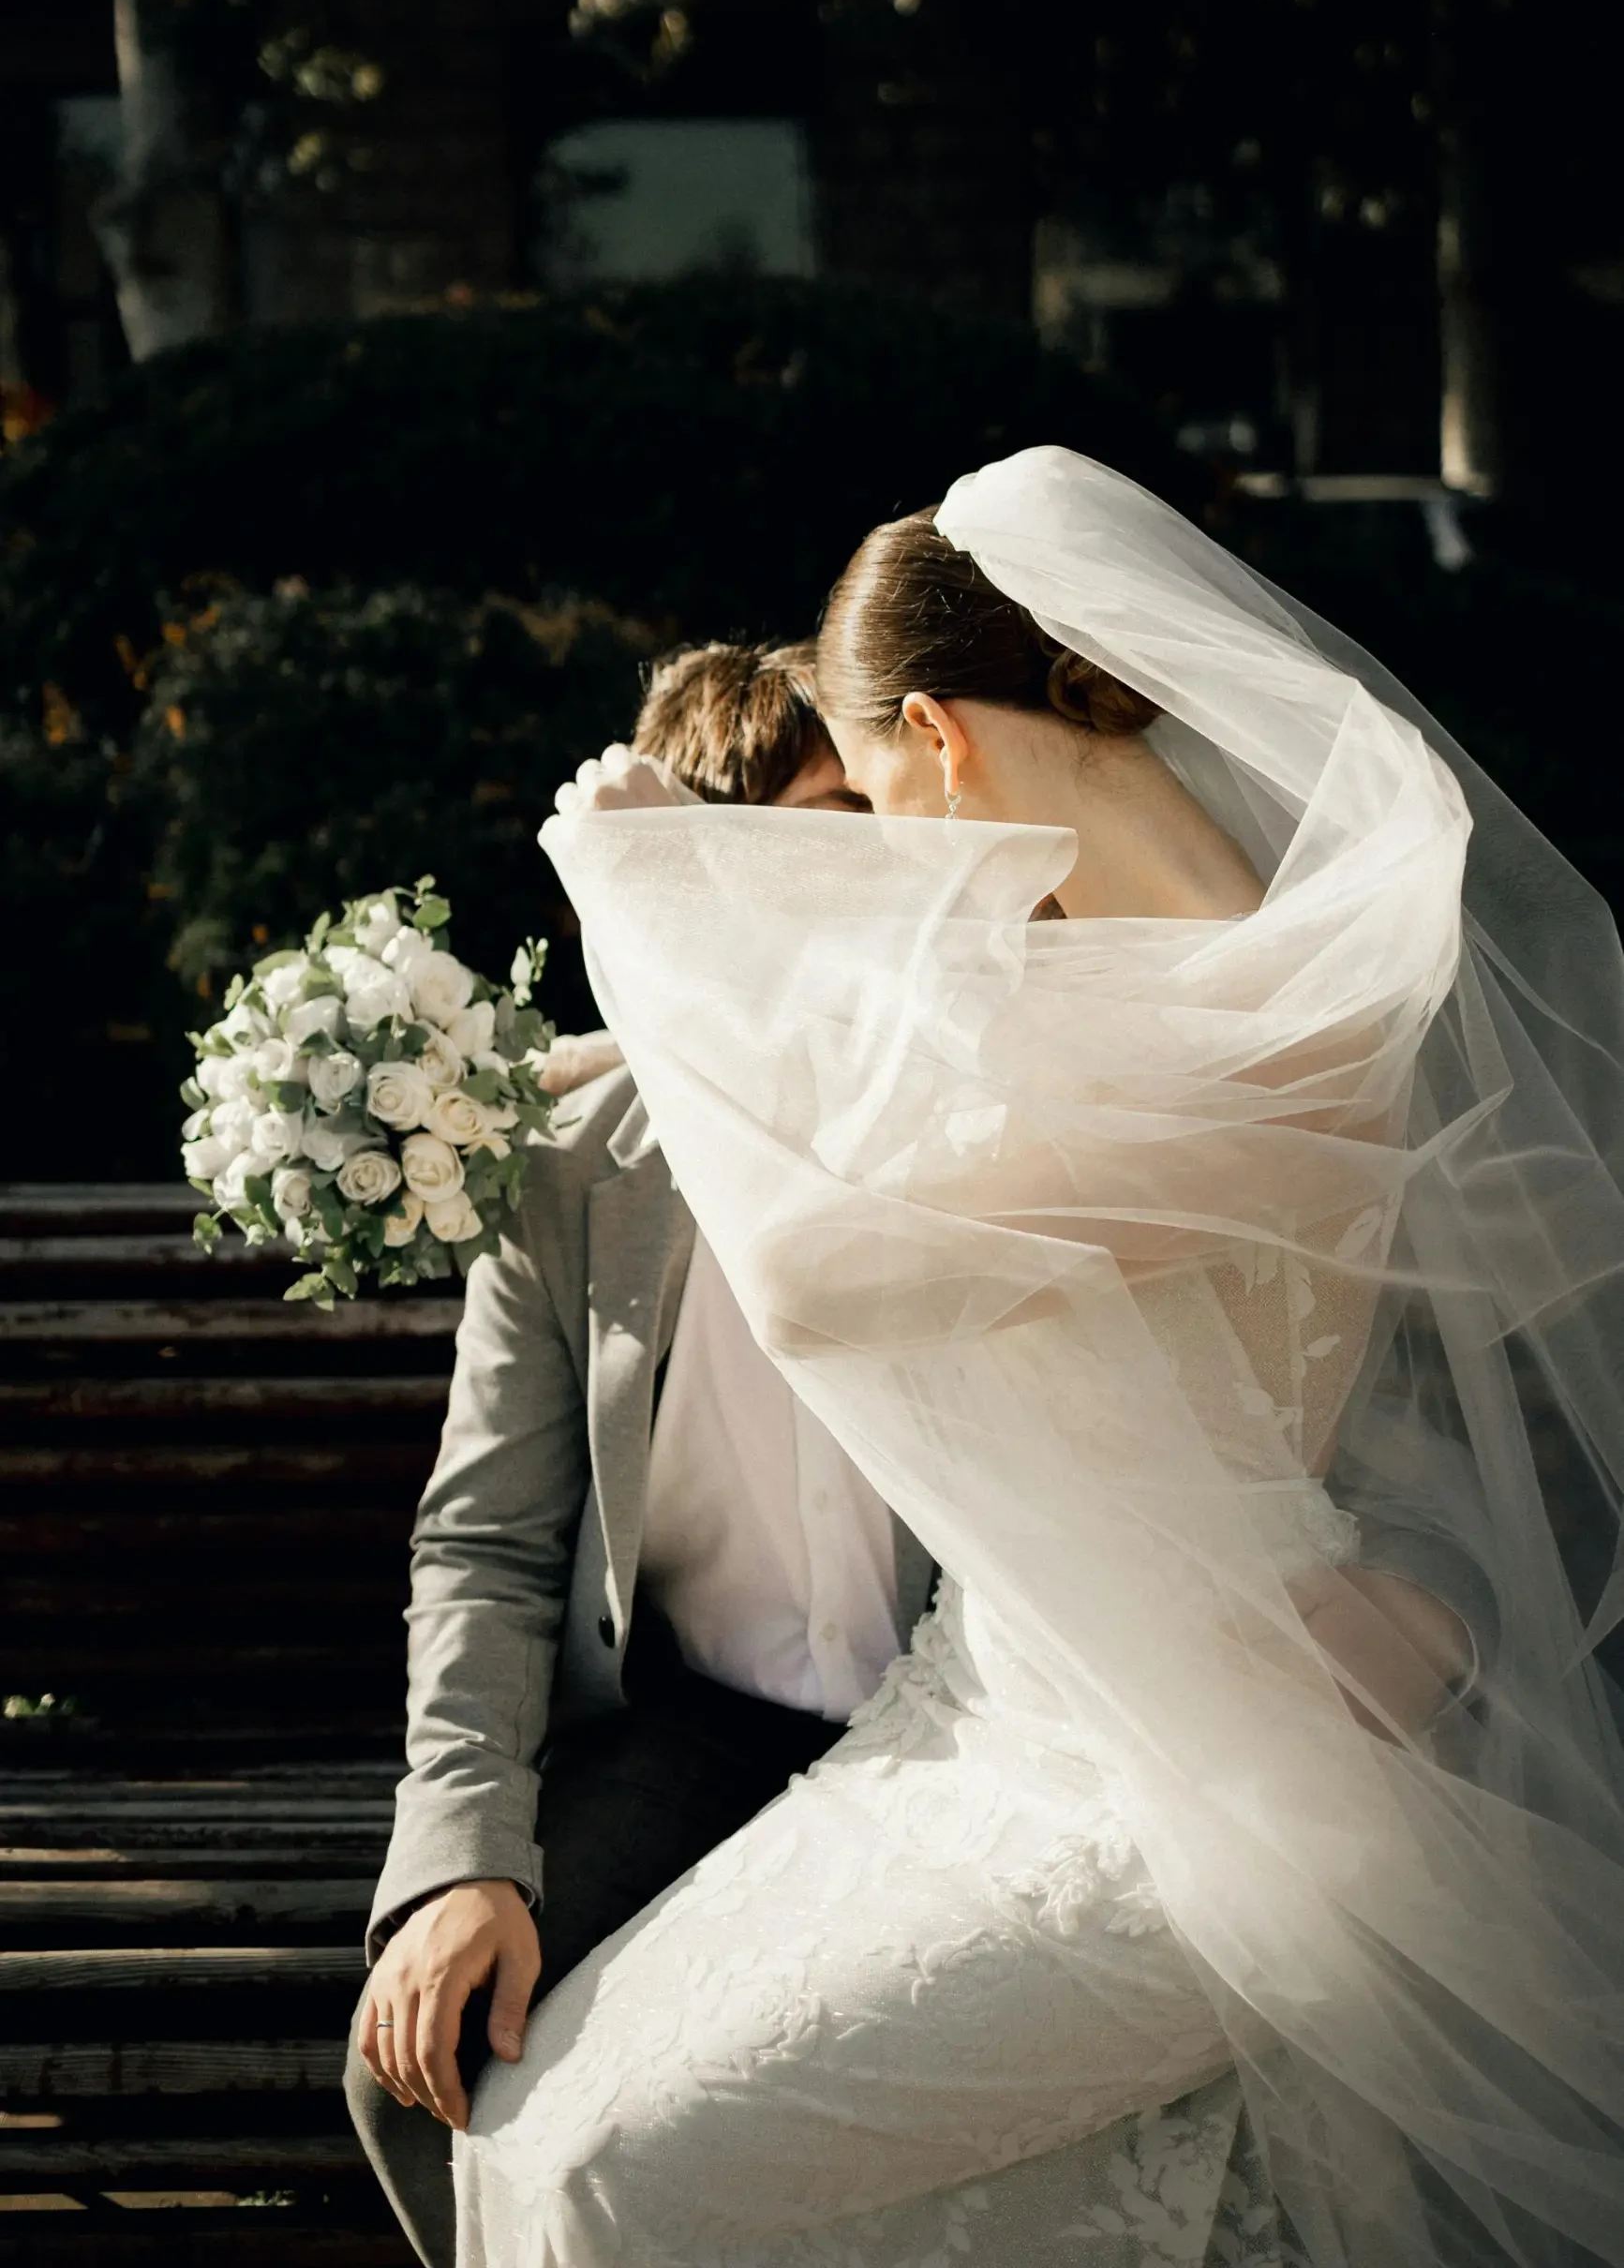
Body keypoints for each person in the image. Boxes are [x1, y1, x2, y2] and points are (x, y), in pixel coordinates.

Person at [457, 448, 1624, 2267]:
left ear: (932, 737)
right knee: (529, 2138)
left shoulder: (1263, 1024)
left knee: (620, 2177)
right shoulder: (1094, 964)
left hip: (1183, 1790)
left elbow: (815, 1278)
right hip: (987, 1721)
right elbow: (895, 1092)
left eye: (873, 807)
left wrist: (639, 915)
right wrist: (627, 1012)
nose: (884, 891)